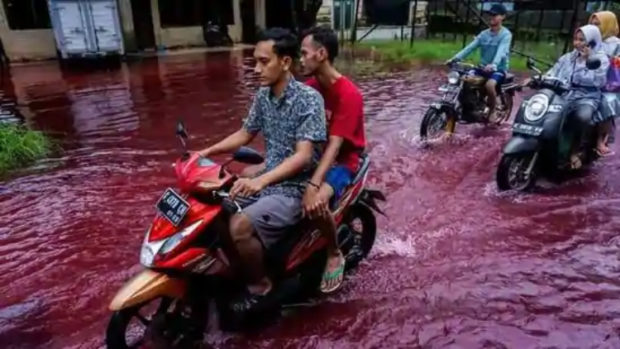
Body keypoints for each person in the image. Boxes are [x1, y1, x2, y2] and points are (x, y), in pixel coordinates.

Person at [197, 27, 327, 311]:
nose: (256, 69)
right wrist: (206, 151)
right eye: (255, 61)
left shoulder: (308, 100)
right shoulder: (263, 96)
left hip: (295, 187)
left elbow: (304, 156)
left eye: (263, 61)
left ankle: (260, 285)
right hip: (266, 178)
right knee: (214, 211)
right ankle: (242, 267)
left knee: (240, 226)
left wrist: (260, 180)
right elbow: (245, 134)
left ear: (285, 62)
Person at [299, 26, 366, 293]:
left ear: (322, 53)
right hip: (316, 153)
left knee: (315, 204)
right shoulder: (310, 88)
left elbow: (336, 145)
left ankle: (333, 251)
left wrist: (315, 185)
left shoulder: (349, 95)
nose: (300, 59)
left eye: (304, 54)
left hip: (343, 161)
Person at [545, 25, 610, 169]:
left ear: (592, 41)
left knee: (582, 117)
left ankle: (574, 151)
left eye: (582, 40)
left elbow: (599, 82)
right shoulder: (569, 57)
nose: (577, 43)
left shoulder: (601, 59)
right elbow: (554, 71)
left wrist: (587, 60)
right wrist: (541, 78)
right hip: (565, 93)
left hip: (587, 96)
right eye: (575, 39)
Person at [447, 4, 512, 123]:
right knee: (464, 79)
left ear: (503, 17)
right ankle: (470, 108)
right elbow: (470, 48)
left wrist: (494, 64)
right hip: (482, 67)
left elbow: (501, 51)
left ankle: (492, 111)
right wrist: (454, 59)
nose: (491, 17)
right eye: (490, 15)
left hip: (498, 69)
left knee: (490, 85)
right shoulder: (484, 34)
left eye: (495, 15)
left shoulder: (506, 35)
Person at [589, 11, 620, 156]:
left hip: (608, 85)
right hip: (588, 79)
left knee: (608, 103)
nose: (594, 27)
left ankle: (600, 140)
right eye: (592, 24)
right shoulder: (589, 39)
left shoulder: (616, 44)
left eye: (597, 24)